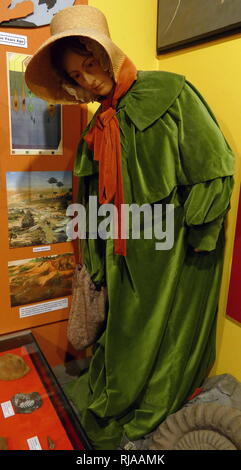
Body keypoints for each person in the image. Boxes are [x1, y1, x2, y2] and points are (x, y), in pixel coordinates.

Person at [25, 5, 235, 450]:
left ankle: (151, 401)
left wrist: (196, 241)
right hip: (124, 257)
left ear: (106, 53)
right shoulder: (99, 125)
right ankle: (118, 395)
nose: (89, 78)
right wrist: (97, 261)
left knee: (163, 343)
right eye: (77, 75)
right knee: (122, 337)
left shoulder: (171, 92)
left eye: (90, 63)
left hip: (174, 253)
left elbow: (215, 169)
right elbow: (90, 200)